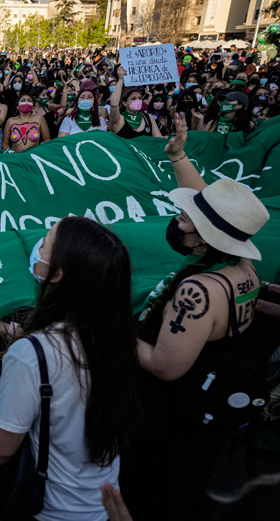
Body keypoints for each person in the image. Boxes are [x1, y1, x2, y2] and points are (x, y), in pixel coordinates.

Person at [122, 113, 271, 520]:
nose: (178, 220)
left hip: (168, 419)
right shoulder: (242, 267)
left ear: (206, 235)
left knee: (152, 493)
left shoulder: (197, 291)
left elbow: (164, 366)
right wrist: (178, 157)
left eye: (186, 219)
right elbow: (211, 204)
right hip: (202, 416)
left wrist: (110, 327)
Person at [0, 216, 142, 520]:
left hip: (47, 511)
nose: (37, 245)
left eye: (45, 242)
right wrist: (13, 332)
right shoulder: (117, 335)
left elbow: (0, 446)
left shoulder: (30, 356)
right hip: (99, 507)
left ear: (58, 274)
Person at [109, 67, 162, 138]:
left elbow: (158, 138)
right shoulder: (119, 119)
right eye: (133, 99)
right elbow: (114, 105)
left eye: (139, 98)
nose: (138, 101)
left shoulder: (148, 117)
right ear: (124, 103)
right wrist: (121, 79)